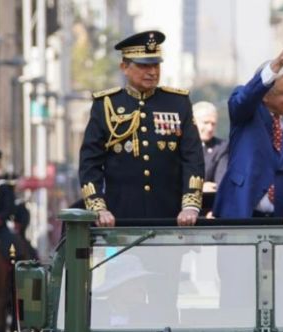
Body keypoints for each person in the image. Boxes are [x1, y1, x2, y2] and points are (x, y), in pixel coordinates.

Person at [79, 30, 205, 227]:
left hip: (171, 218)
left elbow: (193, 158)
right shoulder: (105, 105)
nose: (152, 72)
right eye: (144, 66)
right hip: (118, 219)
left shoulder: (177, 103)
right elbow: (89, 163)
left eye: (156, 65)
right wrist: (98, 208)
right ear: (124, 67)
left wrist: (190, 205)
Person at [213, 37, 283, 224]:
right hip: (240, 212)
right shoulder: (245, 108)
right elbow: (245, 98)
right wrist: (276, 65)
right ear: (265, 97)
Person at [193, 101, 229, 191]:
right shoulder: (176, 145)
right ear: (193, 122)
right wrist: (199, 187)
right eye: (205, 123)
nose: (210, 128)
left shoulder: (221, 147)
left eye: (213, 124)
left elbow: (220, 183)